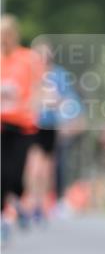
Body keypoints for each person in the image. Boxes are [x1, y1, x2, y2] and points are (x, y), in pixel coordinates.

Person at [26, 41, 83, 223]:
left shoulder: (58, 75)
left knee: (47, 167)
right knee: (34, 166)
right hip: (29, 125)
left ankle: (43, 203)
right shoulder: (28, 73)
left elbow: (69, 99)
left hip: (51, 125)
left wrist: (71, 119)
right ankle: (32, 201)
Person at [1, 15, 43, 239]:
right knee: (2, 173)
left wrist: (33, 105)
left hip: (22, 125)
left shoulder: (27, 58)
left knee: (16, 173)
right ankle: (3, 218)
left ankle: (17, 197)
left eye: (7, 35)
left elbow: (38, 86)